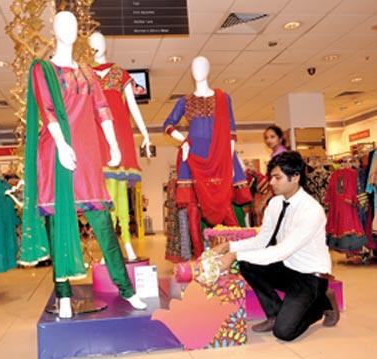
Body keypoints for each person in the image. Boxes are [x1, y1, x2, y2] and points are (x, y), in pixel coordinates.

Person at [21, 11, 146, 318]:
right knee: (59, 224)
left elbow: (102, 109)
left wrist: (115, 145)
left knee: (104, 225)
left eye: (75, 24)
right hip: (57, 152)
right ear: (53, 29)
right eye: (63, 24)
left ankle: (126, 289)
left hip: (88, 156)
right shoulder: (43, 69)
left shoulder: (89, 73)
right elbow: (47, 109)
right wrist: (62, 145)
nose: (71, 29)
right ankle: (63, 294)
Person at [214, 151, 339, 341]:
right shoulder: (275, 203)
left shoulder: (311, 211)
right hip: (288, 267)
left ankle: (322, 302)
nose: (271, 182)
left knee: (284, 333)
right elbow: (261, 241)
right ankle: (274, 314)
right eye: (271, 176)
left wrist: (235, 255)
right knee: (247, 265)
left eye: (277, 177)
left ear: (295, 177)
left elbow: (281, 250)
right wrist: (229, 247)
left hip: (309, 276)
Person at [162, 56, 238, 258]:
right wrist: (183, 141)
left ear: (209, 68)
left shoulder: (223, 98)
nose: (198, 70)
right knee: (192, 209)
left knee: (224, 205)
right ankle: (198, 256)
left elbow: (231, 131)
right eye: (194, 66)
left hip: (217, 157)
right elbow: (168, 125)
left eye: (202, 65)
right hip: (192, 157)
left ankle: (241, 250)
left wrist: (229, 161)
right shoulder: (184, 101)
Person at [89, 31, 151, 260]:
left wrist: (145, 133)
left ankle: (125, 240)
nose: (97, 46)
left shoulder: (119, 73)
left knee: (119, 191)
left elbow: (133, 106)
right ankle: (112, 245)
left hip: (120, 133)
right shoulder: (85, 74)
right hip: (97, 137)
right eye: (92, 44)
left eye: (100, 42)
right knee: (106, 193)